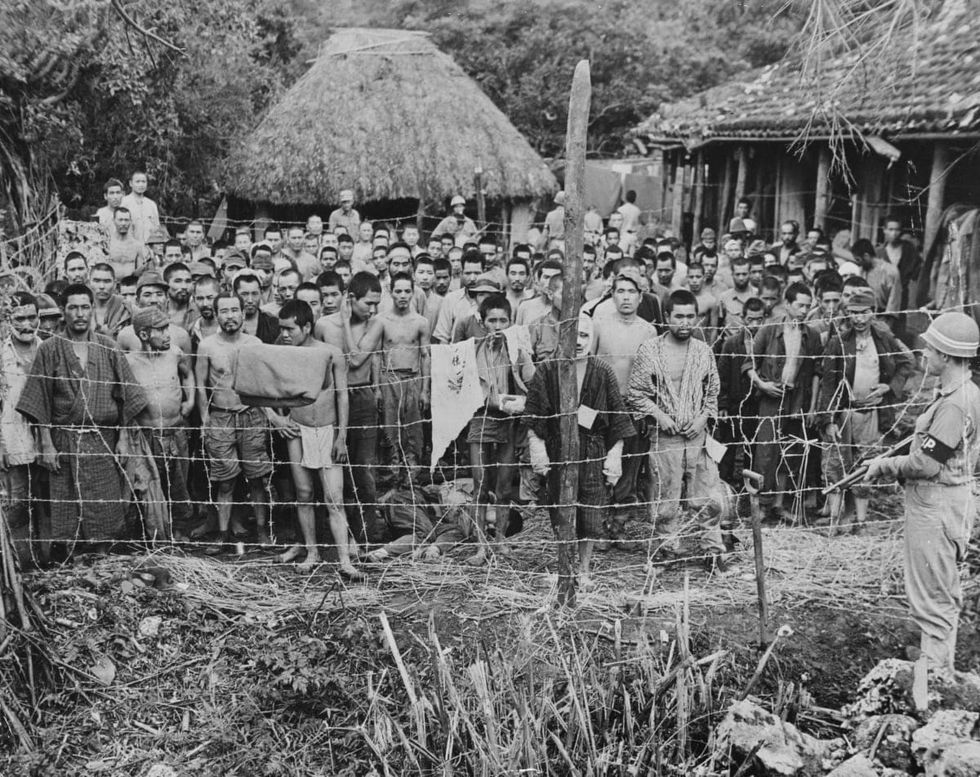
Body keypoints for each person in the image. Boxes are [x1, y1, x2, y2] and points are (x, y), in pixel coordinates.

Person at [864, 312, 980, 674]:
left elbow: (927, 465)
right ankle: (935, 662)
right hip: (948, 500)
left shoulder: (954, 404)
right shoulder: (966, 392)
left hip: (936, 502)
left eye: (929, 349)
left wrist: (886, 465)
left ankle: (934, 675)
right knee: (940, 589)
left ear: (946, 355)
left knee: (933, 596)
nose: (923, 354)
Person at [17, 284, 147, 555]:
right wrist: (47, 443)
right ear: (64, 312)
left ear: (92, 310)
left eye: (84, 307)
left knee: (103, 505)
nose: (79, 313)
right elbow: (39, 397)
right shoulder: (50, 349)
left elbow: (127, 396)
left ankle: (101, 558)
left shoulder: (108, 347)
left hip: (103, 440)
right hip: (64, 440)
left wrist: (123, 438)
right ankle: (74, 562)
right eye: (73, 307)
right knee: (68, 504)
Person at [526, 315, 635, 589]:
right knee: (560, 510)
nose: (578, 342)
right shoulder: (547, 370)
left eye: (585, 336)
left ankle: (584, 570)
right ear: (562, 336)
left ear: (593, 338)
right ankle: (564, 567)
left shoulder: (602, 371)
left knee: (590, 511)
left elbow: (618, 418)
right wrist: (537, 449)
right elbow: (533, 415)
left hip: (593, 449)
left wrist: (615, 455)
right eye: (573, 334)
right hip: (557, 448)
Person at [627, 289, 729, 571]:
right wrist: (659, 416)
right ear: (667, 317)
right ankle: (666, 550)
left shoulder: (703, 351)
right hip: (665, 437)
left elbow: (712, 394)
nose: (685, 323)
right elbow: (636, 393)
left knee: (708, 495)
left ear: (697, 318)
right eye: (679, 316)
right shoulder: (651, 350)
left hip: (697, 437)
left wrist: (702, 420)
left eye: (690, 317)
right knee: (665, 498)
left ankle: (712, 551)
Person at [271, 300, 361, 577]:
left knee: (334, 498)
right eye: (281, 329)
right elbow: (259, 385)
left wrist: (341, 436)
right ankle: (312, 552)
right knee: (305, 494)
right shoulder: (281, 353)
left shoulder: (330, 353)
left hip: (327, 429)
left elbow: (342, 395)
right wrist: (276, 418)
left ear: (307, 326)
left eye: (290, 329)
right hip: (297, 431)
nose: (285, 335)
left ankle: (345, 560)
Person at [818, 288, 912, 531]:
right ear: (847, 314)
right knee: (835, 465)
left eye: (864, 313)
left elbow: (905, 363)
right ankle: (835, 521)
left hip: (871, 414)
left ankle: (860, 521)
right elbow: (828, 383)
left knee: (866, 463)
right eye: (853, 314)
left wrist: (888, 387)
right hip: (843, 414)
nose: (858, 319)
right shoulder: (838, 341)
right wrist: (828, 419)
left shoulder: (884, 338)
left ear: (874, 313)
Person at [195, 292, 278, 554]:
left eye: (234, 310)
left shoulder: (254, 343)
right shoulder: (207, 346)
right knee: (225, 481)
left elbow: (263, 384)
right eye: (224, 311)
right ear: (216, 315)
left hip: (251, 415)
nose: (230, 316)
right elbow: (200, 384)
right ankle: (222, 535)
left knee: (257, 479)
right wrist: (205, 419)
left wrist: (268, 416)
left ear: (243, 313)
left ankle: (263, 532)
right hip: (220, 416)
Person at [464, 294, 533, 566]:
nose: (497, 325)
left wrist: (521, 398)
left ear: (510, 321)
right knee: (481, 485)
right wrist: (496, 402)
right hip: (480, 421)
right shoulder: (471, 350)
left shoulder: (517, 350)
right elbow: (466, 389)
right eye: (492, 320)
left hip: (509, 423)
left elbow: (531, 381)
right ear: (482, 322)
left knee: (505, 487)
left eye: (503, 320)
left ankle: (501, 540)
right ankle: (481, 546)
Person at [747, 282, 823, 522]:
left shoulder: (810, 335)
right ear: (787, 304)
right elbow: (749, 363)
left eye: (808, 306)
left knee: (790, 452)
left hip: (797, 400)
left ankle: (780, 504)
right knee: (766, 451)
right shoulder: (769, 330)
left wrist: (811, 407)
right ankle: (760, 505)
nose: (803, 310)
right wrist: (762, 384)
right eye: (799, 305)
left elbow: (815, 373)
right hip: (771, 398)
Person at [318, 272, 383, 544]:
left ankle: (368, 532)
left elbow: (356, 359)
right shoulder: (323, 325)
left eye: (377, 303)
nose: (373, 309)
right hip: (332, 400)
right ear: (351, 298)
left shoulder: (376, 324)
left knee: (364, 470)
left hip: (362, 397)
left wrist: (346, 323)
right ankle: (342, 537)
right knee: (335, 468)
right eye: (368, 303)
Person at [592, 269, 657, 542]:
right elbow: (590, 363)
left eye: (632, 291)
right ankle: (598, 525)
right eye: (621, 291)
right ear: (612, 295)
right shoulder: (599, 324)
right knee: (598, 465)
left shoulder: (648, 330)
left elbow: (654, 374)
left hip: (634, 406)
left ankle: (619, 524)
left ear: (641, 297)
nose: (626, 297)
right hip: (603, 405)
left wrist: (647, 410)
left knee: (630, 467)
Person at [125, 306, 195, 542]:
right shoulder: (130, 363)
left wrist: (191, 400)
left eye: (168, 328)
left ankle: (180, 530)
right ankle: (154, 534)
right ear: (144, 335)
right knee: (153, 485)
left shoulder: (175, 353)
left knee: (179, 483)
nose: (168, 335)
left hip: (176, 431)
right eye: (161, 330)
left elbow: (187, 374)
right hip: (147, 436)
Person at [353, 273, 431, 482]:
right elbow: (377, 357)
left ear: (413, 292)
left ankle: (411, 476)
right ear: (391, 292)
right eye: (398, 291)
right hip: (389, 378)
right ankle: (391, 474)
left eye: (407, 291)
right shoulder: (381, 321)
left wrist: (425, 390)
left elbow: (425, 356)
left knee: (413, 429)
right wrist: (377, 388)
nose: (403, 296)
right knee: (389, 428)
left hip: (413, 379)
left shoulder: (421, 322)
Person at [1, 292, 41, 562]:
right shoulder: (1, 354)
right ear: (7, 319)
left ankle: (49, 559)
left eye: (32, 317)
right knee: (19, 502)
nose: (27, 325)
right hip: (14, 437)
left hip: (49, 437)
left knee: (49, 501)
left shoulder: (48, 348)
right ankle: (21, 561)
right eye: (20, 319)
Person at [717, 296, 766, 486]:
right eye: (750, 319)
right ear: (743, 318)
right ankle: (725, 483)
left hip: (756, 403)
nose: (754, 325)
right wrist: (722, 403)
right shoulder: (731, 344)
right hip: (734, 403)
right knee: (729, 445)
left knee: (752, 446)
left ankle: (749, 485)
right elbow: (722, 375)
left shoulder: (767, 344)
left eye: (759, 320)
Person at [233, 272, 278, 343]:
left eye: (254, 294)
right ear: (234, 295)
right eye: (244, 294)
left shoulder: (273, 323)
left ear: (261, 293)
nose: (250, 300)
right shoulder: (228, 323)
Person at [89, 262, 131, 337]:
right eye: (97, 281)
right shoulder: (82, 307)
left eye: (107, 281)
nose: (101, 286)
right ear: (89, 282)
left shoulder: (126, 307)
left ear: (114, 284)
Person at [107, 206, 150, 278]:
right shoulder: (107, 244)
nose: (123, 223)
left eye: (126, 220)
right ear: (113, 220)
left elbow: (141, 270)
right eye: (120, 220)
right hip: (112, 284)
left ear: (130, 221)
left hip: (131, 285)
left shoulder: (137, 245)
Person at [120, 170, 161, 245]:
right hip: (129, 247)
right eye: (137, 181)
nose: (141, 185)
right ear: (131, 183)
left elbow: (156, 228)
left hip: (149, 248)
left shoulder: (151, 204)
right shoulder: (123, 203)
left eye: (143, 182)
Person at [164, 262, 195, 330]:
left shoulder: (199, 313)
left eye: (188, 281)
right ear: (166, 285)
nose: (184, 286)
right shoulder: (158, 312)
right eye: (178, 281)